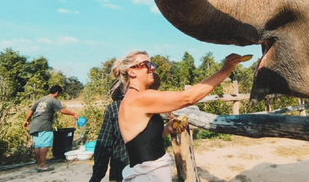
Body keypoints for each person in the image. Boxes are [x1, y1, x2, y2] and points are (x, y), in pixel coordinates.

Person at [114, 50, 243, 182]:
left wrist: (167, 129)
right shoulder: (139, 98)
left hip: (147, 174)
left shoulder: (131, 99)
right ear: (132, 71)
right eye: (146, 64)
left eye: (151, 63)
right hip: (149, 176)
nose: (152, 67)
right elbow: (188, 98)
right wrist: (224, 71)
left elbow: (141, 142)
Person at [89, 73, 161, 182]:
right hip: (124, 172)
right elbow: (104, 145)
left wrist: (168, 129)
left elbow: (154, 138)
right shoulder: (114, 108)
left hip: (149, 172)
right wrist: (97, 176)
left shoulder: (151, 108)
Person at [23, 85, 78, 172]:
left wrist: (26, 120)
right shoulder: (53, 100)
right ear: (57, 93)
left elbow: (31, 111)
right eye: (59, 94)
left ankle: (39, 165)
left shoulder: (40, 100)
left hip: (34, 124)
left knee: (37, 146)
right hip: (44, 125)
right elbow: (62, 110)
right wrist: (73, 114)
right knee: (45, 145)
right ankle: (43, 165)